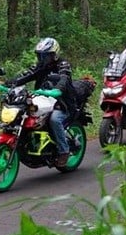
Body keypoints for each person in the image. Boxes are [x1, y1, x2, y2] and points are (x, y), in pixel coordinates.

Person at [7, 38, 75, 167]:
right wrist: (9, 83)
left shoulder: (63, 64)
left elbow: (64, 78)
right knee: (23, 112)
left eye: (46, 55)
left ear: (54, 54)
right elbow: (26, 75)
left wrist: (58, 89)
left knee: (54, 120)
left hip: (62, 101)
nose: (43, 59)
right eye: (41, 55)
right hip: (43, 98)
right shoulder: (40, 66)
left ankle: (64, 151)